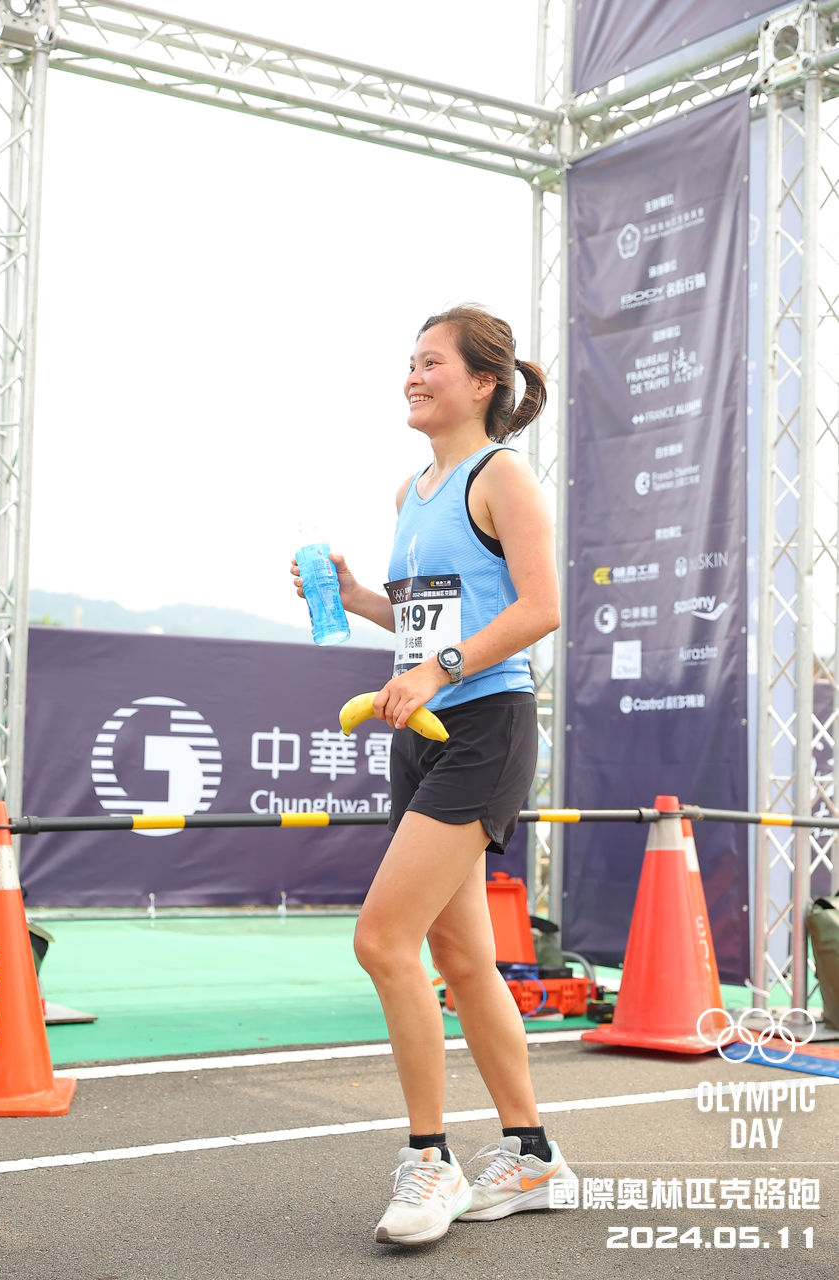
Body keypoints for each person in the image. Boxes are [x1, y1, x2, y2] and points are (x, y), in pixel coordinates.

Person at [291, 305, 577, 1246]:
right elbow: (427, 620)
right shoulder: (411, 491)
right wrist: (353, 596)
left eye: (431, 363)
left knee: (382, 941)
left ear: (482, 382)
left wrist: (438, 672)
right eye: (408, 363)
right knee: (460, 959)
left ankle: (429, 1160)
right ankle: (532, 1156)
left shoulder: (503, 476)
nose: (412, 377)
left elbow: (538, 608)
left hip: (484, 727)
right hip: (419, 729)